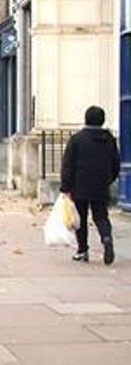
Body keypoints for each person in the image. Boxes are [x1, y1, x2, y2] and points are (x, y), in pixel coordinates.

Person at [60, 106, 120, 264]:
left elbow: (68, 165)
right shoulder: (109, 140)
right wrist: (108, 180)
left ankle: (83, 250)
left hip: (79, 185)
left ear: (86, 119)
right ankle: (107, 239)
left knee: (81, 218)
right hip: (101, 185)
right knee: (101, 216)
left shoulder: (76, 139)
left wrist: (65, 187)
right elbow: (116, 164)